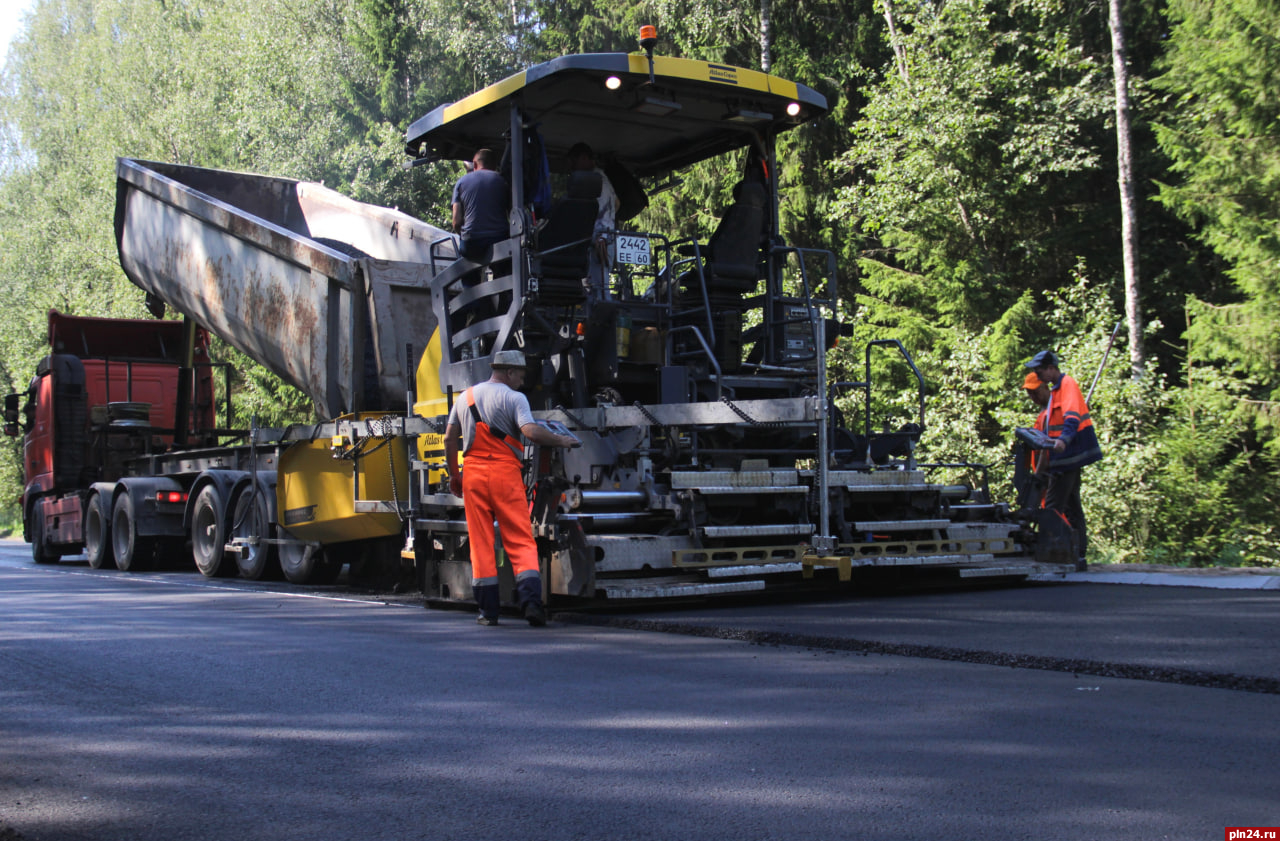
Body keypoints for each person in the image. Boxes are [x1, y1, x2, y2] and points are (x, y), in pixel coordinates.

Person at [443, 350, 579, 626]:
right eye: (520, 375)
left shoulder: (464, 397)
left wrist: (455, 475)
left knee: (480, 542)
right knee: (519, 539)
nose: (522, 380)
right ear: (508, 373)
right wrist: (561, 441)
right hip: (505, 475)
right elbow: (529, 431)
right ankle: (531, 604)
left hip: (473, 476)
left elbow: (449, 438)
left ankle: (487, 612)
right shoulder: (515, 398)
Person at [1024, 350, 1103, 567]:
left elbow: (1072, 418)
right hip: (1063, 459)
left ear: (1051, 368)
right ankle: (1078, 553)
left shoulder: (1067, 384)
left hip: (1067, 457)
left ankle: (1056, 553)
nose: (1037, 374)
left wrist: (1063, 441)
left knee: (1053, 507)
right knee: (1071, 505)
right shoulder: (1055, 393)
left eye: (1039, 371)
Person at [568, 142, 620, 292]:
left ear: (583, 158)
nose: (571, 168)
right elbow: (617, 203)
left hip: (599, 243)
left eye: (573, 162)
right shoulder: (603, 178)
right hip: (604, 239)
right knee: (597, 287)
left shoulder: (594, 180)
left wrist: (601, 234)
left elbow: (594, 210)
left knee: (598, 291)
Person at [451, 148, 509, 261]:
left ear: (475, 164)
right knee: (503, 267)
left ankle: (471, 278)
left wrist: (464, 235)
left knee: (468, 268)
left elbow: (456, 222)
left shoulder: (461, 182)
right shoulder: (503, 181)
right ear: (494, 165)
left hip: (472, 242)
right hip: (499, 239)